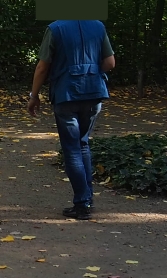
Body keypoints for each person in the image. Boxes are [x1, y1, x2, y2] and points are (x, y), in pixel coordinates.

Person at [26, 19, 115, 221]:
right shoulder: (99, 27)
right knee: (83, 144)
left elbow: (42, 66)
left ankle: (82, 203)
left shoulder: (55, 29)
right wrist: (92, 73)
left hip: (66, 94)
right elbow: (110, 63)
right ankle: (87, 199)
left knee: (72, 148)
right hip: (94, 93)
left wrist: (34, 96)